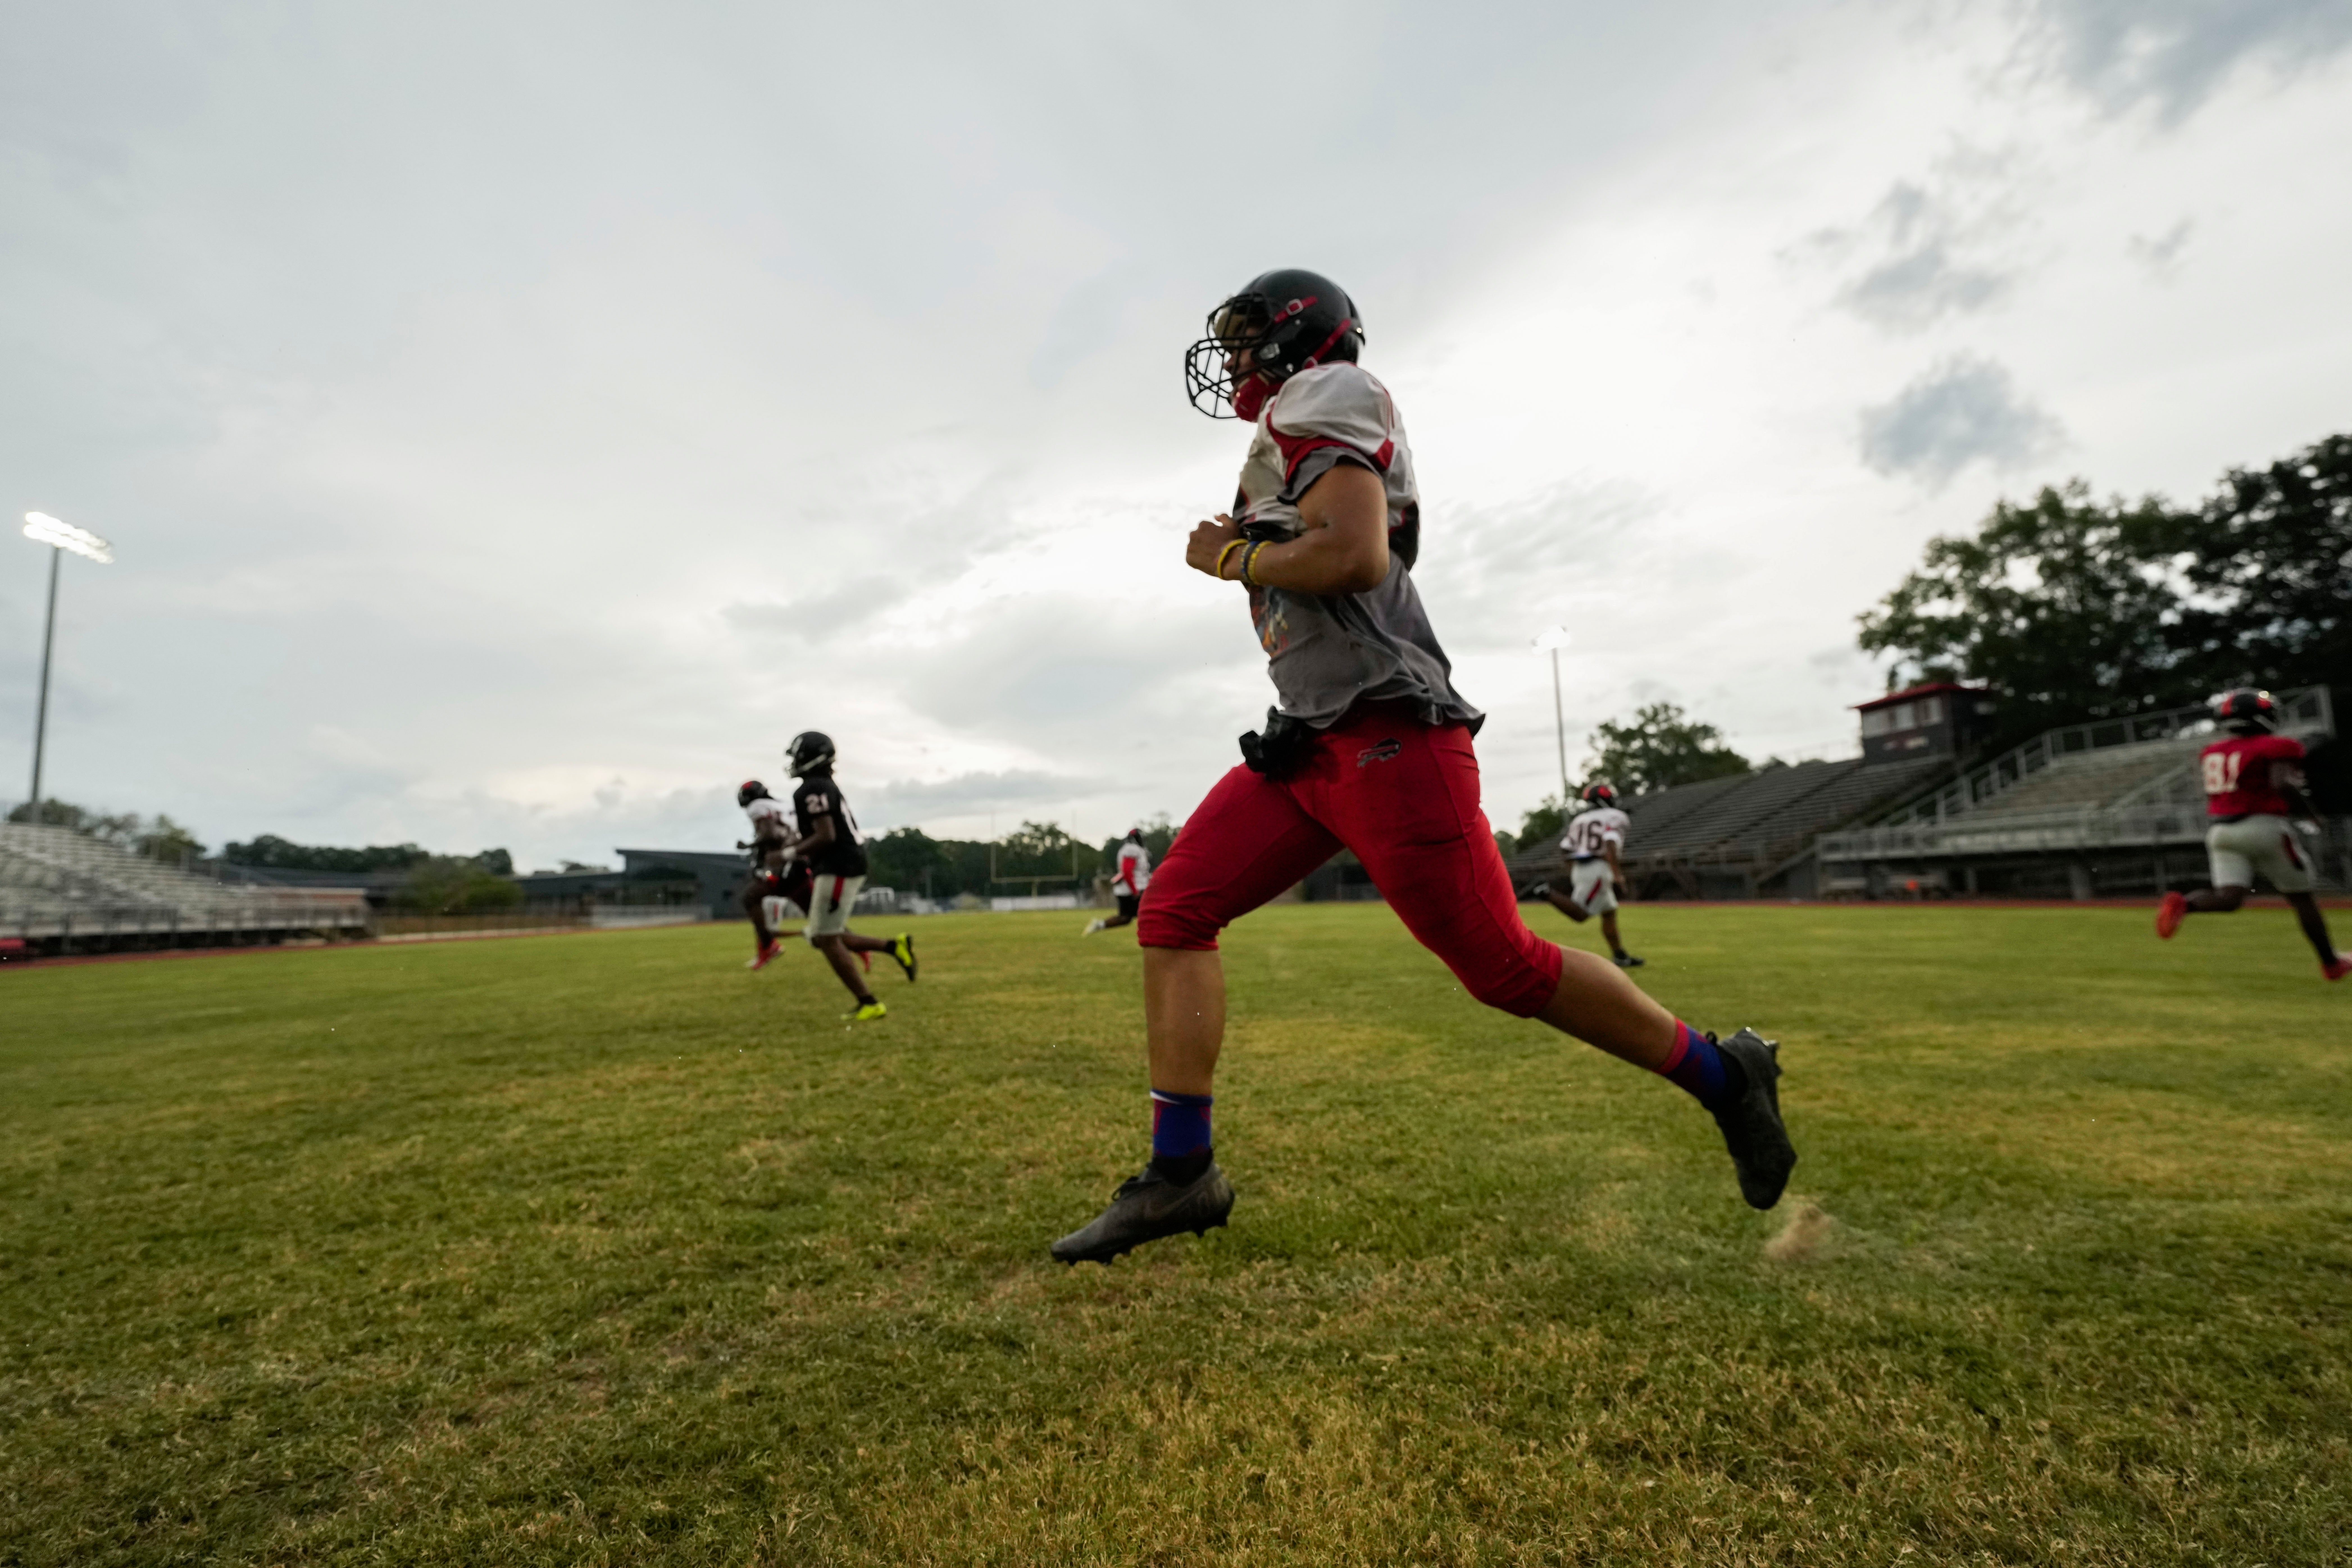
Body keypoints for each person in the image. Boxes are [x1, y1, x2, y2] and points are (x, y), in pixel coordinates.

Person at [1049, 269, 1795, 1266]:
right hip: (1314, 735)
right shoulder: (1295, 425)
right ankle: (1182, 1171)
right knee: (1176, 906)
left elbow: (1353, 555)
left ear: (1292, 340)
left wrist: (1229, 559)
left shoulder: (1328, 396)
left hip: (1389, 736)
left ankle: (1725, 1072)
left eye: (1242, 340)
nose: (1229, 362)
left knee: (1503, 966)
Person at [2157, 689, 2349, 980]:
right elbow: (2281, 784)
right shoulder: (2277, 746)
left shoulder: (2212, 751)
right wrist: (2311, 814)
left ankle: (2186, 904)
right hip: (2262, 826)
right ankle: (2331, 963)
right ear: (2264, 717)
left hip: (2221, 831)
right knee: (2301, 899)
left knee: (2230, 898)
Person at [783, 731, 920, 1019]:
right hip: (839, 864)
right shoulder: (820, 786)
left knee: (824, 936)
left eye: (798, 756)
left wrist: (789, 854)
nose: (794, 762)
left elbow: (826, 836)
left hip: (838, 866)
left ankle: (870, 1002)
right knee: (827, 934)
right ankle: (894, 948)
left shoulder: (813, 788)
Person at [1529, 782, 1643, 968]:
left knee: (1609, 913)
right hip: (1598, 869)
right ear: (1606, 799)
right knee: (1581, 914)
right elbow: (1610, 843)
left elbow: (1565, 848)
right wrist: (1617, 875)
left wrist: (1575, 872)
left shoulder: (1580, 820)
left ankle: (1620, 955)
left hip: (1582, 867)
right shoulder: (1616, 816)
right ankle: (1545, 891)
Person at [737, 779, 808, 970]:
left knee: (751, 898)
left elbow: (772, 835)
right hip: (797, 860)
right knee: (818, 914)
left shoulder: (758, 807)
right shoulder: (784, 805)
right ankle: (767, 947)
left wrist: (750, 845)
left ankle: (769, 945)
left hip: (782, 865)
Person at [1084, 828, 1153, 935]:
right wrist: (1135, 891)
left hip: (1130, 889)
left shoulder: (1131, 849)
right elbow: (1127, 871)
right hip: (1134, 889)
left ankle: (1100, 925)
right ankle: (1153, 938)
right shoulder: (1132, 849)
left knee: (1125, 918)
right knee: (1150, 914)